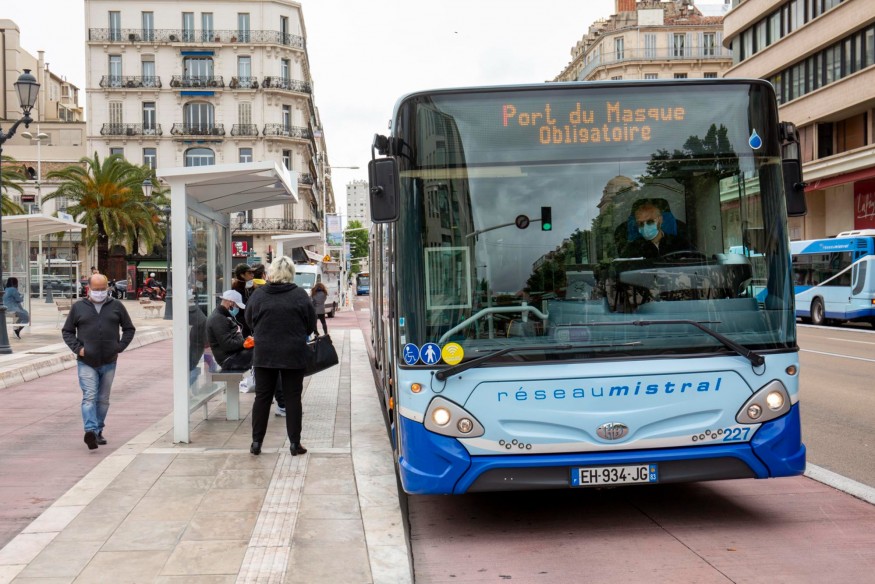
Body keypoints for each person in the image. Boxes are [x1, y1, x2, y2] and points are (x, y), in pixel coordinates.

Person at [245, 255, 316, 457]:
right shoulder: (300, 295)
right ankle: (295, 444)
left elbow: (249, 320)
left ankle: (256, 443)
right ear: (291, 273)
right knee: (292, 398)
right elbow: (310, 325)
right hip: (293, 353)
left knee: (262, 397)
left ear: (271, 273)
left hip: (264, 353)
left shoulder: (259, 295)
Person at [61, 274, 136, 450]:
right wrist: (78, 349)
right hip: (86, 361)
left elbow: (129, 329)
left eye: (103, 289)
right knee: (89, 396)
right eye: (96, 289)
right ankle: (90, 430)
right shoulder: (78, 307)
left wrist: (119, 347)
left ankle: (98, 430)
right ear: (89, 288)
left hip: (109, 360)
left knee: (103, 399)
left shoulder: (116, 306)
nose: (100, 292)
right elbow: (67, 331)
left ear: (108, 288)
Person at [621, 199, 691, 259]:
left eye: (650, 222)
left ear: (660, 220)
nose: (645, 227)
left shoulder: (680, 243)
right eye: (641, 224)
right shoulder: (632, 249)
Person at [206, 290, 253, 371]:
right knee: (260, 353)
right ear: (231, 303)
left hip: (232, 356)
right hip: (228, 359)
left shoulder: (223, 317)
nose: (237, 309)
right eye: (237, 306)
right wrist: (245, 341)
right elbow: (228, 345)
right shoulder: (218, 318)